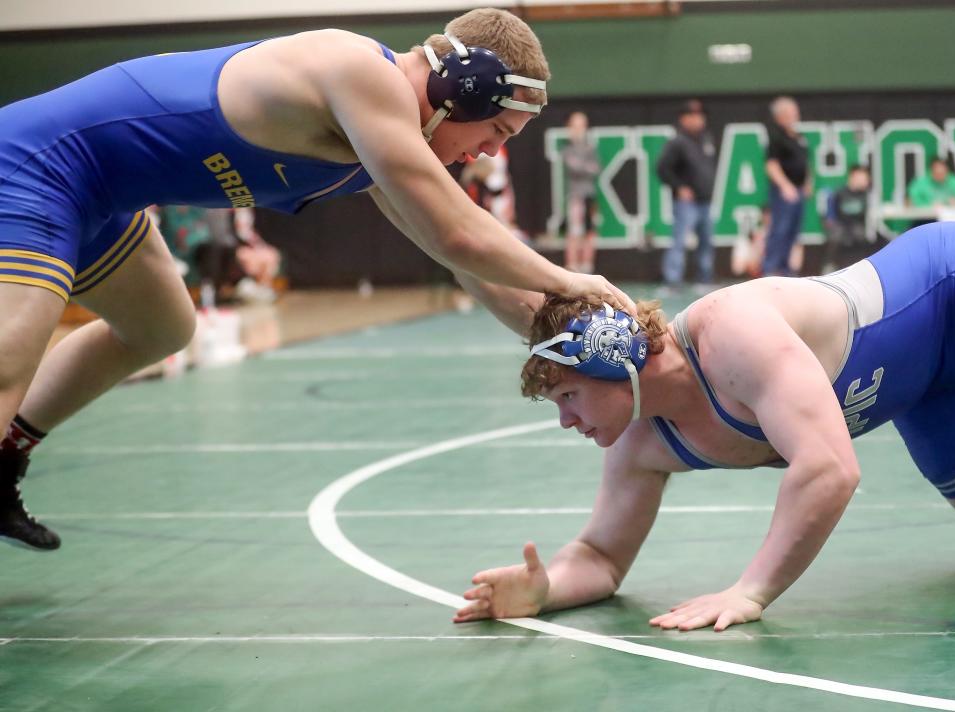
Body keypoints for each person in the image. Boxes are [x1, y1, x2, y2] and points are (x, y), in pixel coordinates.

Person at [0, 8, 636, 550]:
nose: (491, 153)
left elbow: (461, 260)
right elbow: (460, 234)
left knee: (160, 325)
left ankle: (7, 459)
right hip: (38, 164)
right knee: (10, 356)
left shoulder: (378, 144)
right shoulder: (360, 72)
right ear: (462, 90)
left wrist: (554, 339)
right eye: (497, 131)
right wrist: (570, 279)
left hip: (104, 198)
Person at [451, 220, 955, 632]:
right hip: (924, 385)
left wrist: (750, 591)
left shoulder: (729, 335)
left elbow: (830, 469)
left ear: (614, 361)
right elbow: (601, 557)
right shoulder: (641, 440)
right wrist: (547, 591)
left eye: (567, 396)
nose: (565, 421)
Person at [656, 99, 717, 294]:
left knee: (706, 241)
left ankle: (705, 280)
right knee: (680, 241)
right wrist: (679, 187)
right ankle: (672, 281)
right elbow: (662, 168)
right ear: (683, 119)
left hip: (705, 200)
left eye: (700, 115)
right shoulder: (677, 142)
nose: (697, 119)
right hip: (686, 203)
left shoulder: (706, 139)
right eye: (692, 116)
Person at [762, 96, 810, 276]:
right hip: (784, 192)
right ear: (780, 116)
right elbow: (771, 165)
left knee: (793, 232)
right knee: (779, 230)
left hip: (798, 191)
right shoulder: (776, 137)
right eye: (790, 112)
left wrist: (806, 183)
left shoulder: (798, 137)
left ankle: (785, 270)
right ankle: (770, 269)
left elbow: (805, 162)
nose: (795, 115)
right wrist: (785, 186)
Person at [561, 111, 601, 274]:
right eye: (575, 125)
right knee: (574, 233)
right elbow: (575, 167)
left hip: (589, 196)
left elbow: (595, 168)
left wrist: (583, 166)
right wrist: (585, 167)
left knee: (590, 232)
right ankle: (572, 268)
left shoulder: (590, 148)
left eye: (582, 125)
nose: (578, 129)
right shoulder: (568, 149)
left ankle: (587, 267)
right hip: (575, 197)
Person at [821, 164, 871, 274]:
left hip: (855, 226)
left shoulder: (864, 195)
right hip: (840, 225)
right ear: (852, 177)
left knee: (860, 234)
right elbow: (830, 215)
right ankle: (830, 265)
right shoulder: (839, 193)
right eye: (862, 178)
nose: (865, 182)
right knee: (836, 236)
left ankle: (860, 268)